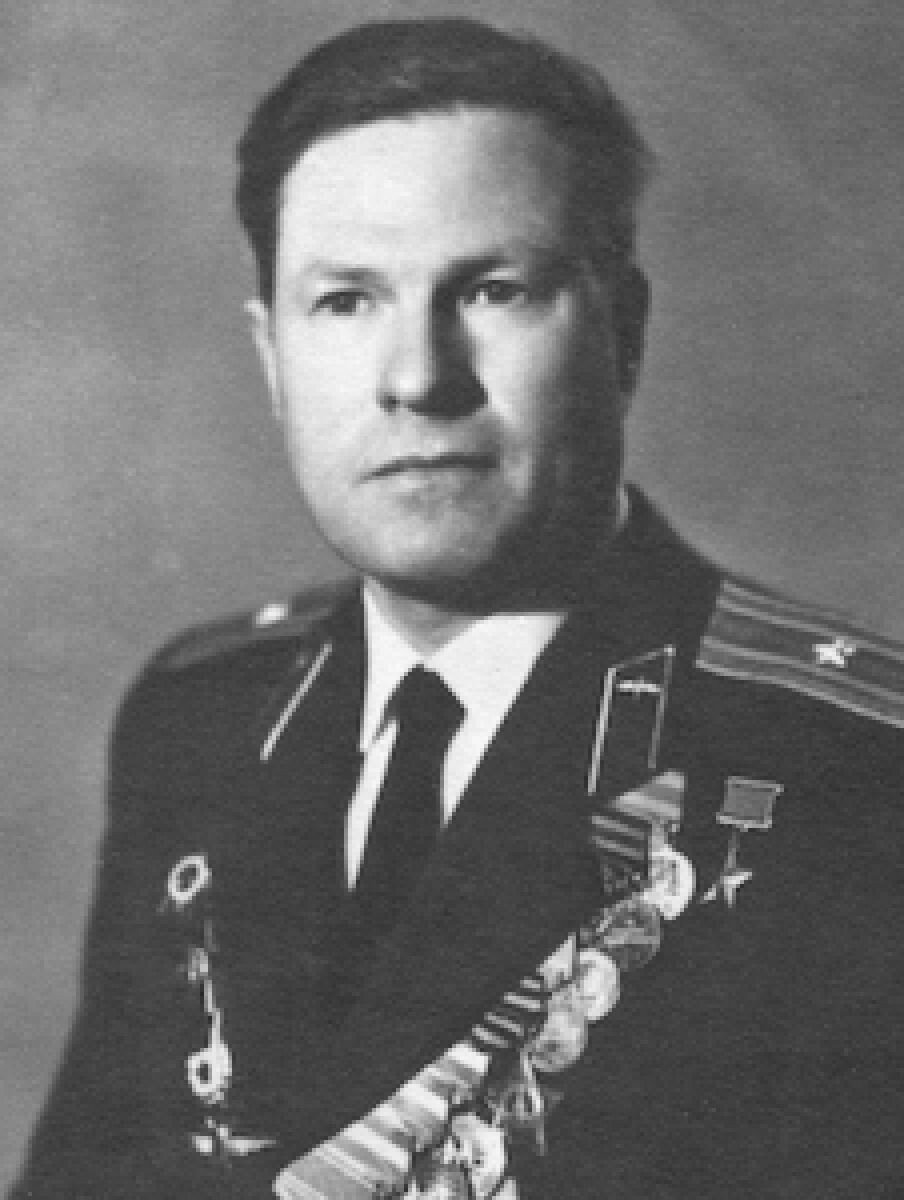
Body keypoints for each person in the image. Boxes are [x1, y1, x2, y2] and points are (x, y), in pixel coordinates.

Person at [13, 18, 903, 1200]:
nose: (417, 377)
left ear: (623, 330)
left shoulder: (848, 769)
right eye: (345, 301)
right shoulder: (202, 719)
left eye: (491, 289)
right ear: (272, 356)